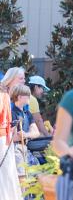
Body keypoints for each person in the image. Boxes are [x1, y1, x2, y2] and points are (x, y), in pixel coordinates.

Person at [0, 72, 23, 200]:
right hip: (2, 140)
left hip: (5, 139)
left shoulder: (5, 94)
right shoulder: (2, 94)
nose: (24, 81)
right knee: (5, 174)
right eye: (21, 78)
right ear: (11, 79)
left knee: (8, 173)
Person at [10, 84, 41, 171]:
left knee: (38, 171)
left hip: (25, 148)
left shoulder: (27, 113)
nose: (29, 97)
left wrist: (26, 135)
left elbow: (37, 133)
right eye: (27, 95)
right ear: (19, 97)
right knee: (22, 175)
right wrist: (27, 135)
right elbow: (12, 137)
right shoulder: (11, 113)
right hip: (15, 149)